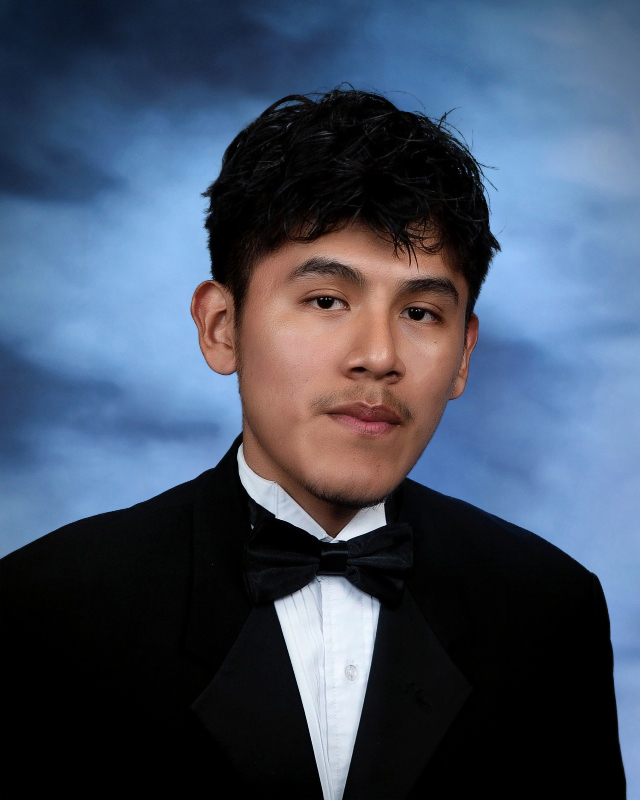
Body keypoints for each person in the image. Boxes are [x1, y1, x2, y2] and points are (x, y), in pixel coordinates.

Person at [0, 88, 626, 799]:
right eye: (327, 300)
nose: (379, 355)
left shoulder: (548, 613)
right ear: (221, 326)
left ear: (462, 355)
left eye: (421, 311)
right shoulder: (47, 612)